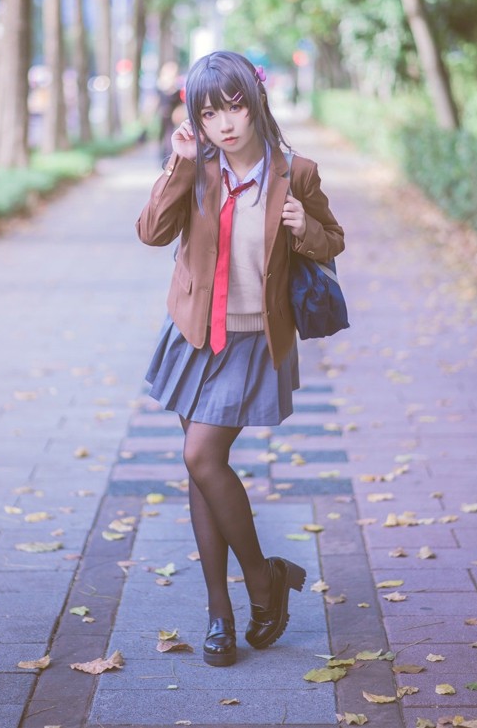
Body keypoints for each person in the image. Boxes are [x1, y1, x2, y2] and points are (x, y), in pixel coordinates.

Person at [136, 50, 345, 667]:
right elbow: (150, 230)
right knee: (200, 471)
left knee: (202, 455)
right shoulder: (196, 168)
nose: (225, 124)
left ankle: (260, 579)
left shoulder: (295, 172)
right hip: (194, 333)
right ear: (196, 122)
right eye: (208, 114)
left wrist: (303, 224)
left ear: (253, 103)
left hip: (253, 339)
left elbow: (333, 241)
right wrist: (177, 162)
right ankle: (220, 615)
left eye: (232, 106)